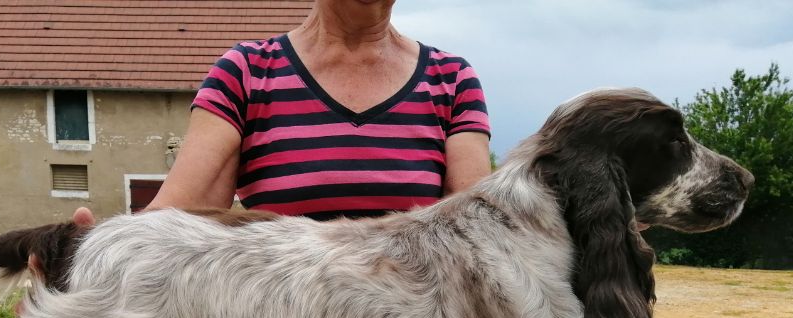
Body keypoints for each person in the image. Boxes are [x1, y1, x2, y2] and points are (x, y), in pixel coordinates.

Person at [67, 0, 491, 230]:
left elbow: (477, 232)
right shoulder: (246, 72)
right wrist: (92, 255)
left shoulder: (452, 79)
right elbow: (181, 215)